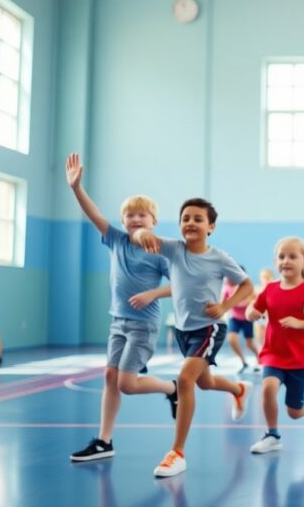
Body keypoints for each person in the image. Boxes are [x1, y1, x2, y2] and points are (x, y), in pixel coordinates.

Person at [64, 153, 177, 463]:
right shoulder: (115, 240)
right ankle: (104, 440)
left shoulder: (158, 251)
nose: (135, 219)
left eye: (142, 215)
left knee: (127, 384)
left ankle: (171, 388)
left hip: (144, 326)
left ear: (153, 221)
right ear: (123, 221)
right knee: (110, 377)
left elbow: (178, 285)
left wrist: (152, 294)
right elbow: (94, 214)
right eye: (130, 215)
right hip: (118, 323)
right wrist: (76, 187)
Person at [133, 198, 255, 477]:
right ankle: (239, 390)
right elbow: (139, 236)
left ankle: (177, 452)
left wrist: (225, 306)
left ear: (210, 226)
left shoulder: (219, 258)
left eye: (198, 218)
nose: (190, 222)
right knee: (205, 381)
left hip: (210, 328)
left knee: (185, 379)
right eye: (185, 218)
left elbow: (246, 285)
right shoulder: (174, 250)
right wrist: (144, 234)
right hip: (183, 329)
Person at [245, 237, 304, 454]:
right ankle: (272, 435)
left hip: (299, 359)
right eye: (281, 256)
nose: (286, 261)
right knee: (268, 388)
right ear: (275, 261)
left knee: (294, 411)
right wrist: (252, 313)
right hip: (273, 354)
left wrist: (299, 323)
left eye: (293, 256)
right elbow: (251, 309)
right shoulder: (270, 289)